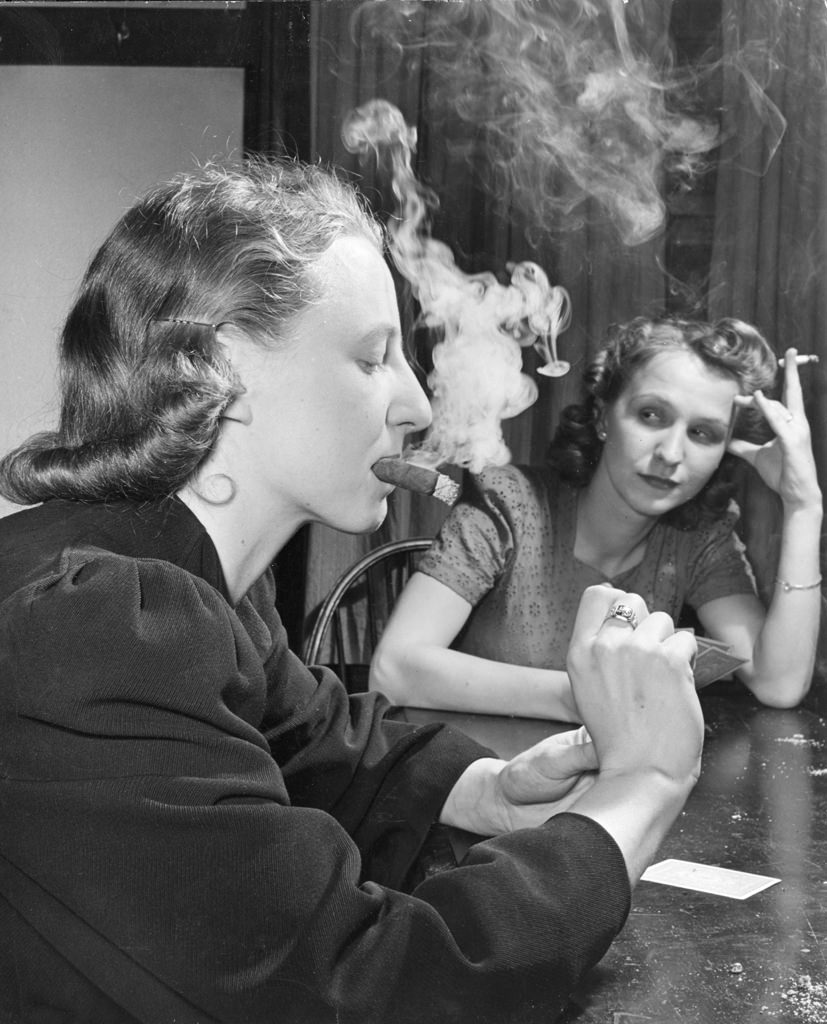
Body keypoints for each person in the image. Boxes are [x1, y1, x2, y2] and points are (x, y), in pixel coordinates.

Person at [0, 157, 704, 1024]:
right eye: (374, 357)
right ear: (225, 371)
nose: (414, 402)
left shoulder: (187, 586)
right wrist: (640, 785)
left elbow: (315, 744)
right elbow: (360, 986)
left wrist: (489, 788)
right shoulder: (100, 622)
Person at [371, 316, 822, 719]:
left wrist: (804, 506)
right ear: (604, 416)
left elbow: (778, 683)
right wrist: (580, 696)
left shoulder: (700, 538)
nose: (670, 454)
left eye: (702, 433)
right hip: (474, 780)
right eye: (651, 415)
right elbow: (394, 669)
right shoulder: (509, 503)